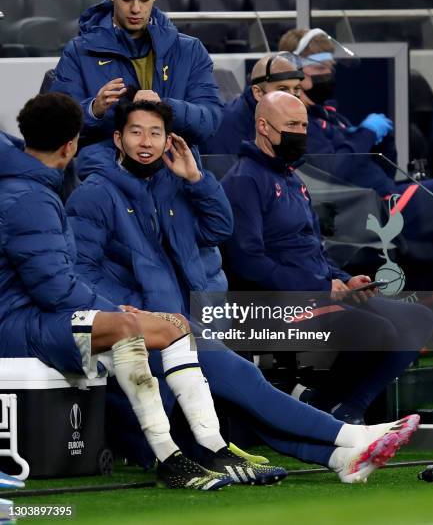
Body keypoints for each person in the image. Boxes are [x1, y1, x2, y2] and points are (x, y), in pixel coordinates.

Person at [65, 97, 420, 484]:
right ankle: (353, 435)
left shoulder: (173, 184)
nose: (146, 142)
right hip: (144, 330)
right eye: (136, 132)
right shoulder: (95, 193)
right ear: (118, 139)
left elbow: (218, 229)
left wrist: (197, 180)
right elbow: (81, 272)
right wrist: (131, 315)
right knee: (244, 383)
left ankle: (341, 459)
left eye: (155, 133)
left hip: (184, 322)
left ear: (169, 139)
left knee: (241, 398)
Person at [0, 92, 291, 491]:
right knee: (132, 328)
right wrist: (122, 312)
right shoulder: (31, 196)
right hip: (21, 324)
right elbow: (55, 289)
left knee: (172, 328)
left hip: (39, 316)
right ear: (72, 144)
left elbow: (219, 228)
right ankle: (169, 457)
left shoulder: (32, 187)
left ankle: (213, 447)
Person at [221, 91, 433, 423]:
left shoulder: (292, 177)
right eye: (291, 124)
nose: (301, 133)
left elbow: (313, 249)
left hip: (318, 290)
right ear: (263, 126)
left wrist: (345, 278)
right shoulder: (244, 181)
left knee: (420, 319)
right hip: (272, 303)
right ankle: (319, 409)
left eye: (304, 126)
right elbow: (248, 261)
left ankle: (348, 410)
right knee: (375, 331)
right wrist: (320, 285)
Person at [278, 28, 433, 265]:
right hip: (368, 212)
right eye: (320, 68)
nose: (329, 74)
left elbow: (384, 170)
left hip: (386, 196)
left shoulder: (332, 117)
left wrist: (383, 139)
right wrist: (365, 134)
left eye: (331, 68)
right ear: (294, 70)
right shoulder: (300, 122)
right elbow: (332, 171)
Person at [50, 0, 222, 148]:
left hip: (175, 171)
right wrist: (94, 109)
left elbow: (210, 120)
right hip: (105, 172)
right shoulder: (79, 52)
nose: (136, 9)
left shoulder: (190, 50)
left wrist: (164, 108)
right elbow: (56, 125)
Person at [201, 53, 303, 154]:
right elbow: (225, 169)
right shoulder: (226, 126)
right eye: (282, 89)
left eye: (296, 89)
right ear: (258, 93)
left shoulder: (299, 119)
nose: (292, 96)